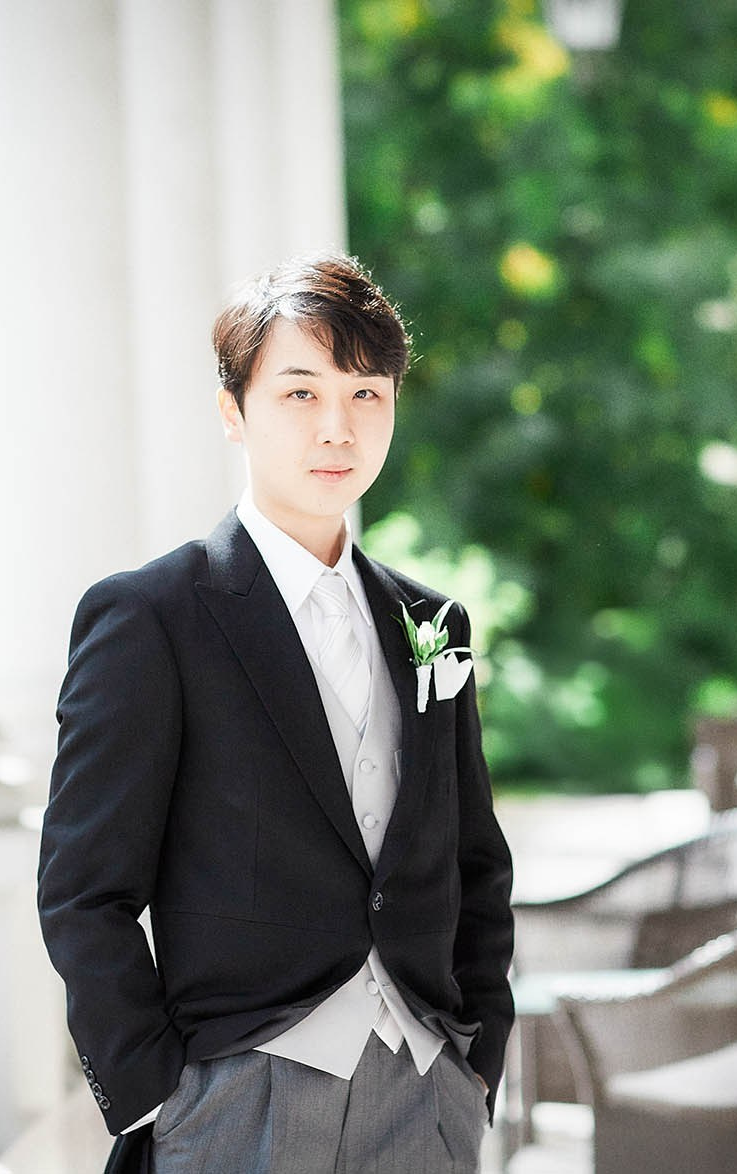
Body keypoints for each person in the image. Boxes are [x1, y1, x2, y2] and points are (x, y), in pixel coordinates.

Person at [37, 253, 515, 1173]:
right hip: (236, 1102)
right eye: (300, 394)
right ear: (233, 412)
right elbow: (83, 890)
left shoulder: (433, 626)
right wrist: (155, 1099)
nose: (337, 427)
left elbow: (474, 863)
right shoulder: (151, 617)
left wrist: (477, 1061)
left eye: (366, 394)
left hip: (425, 1092)